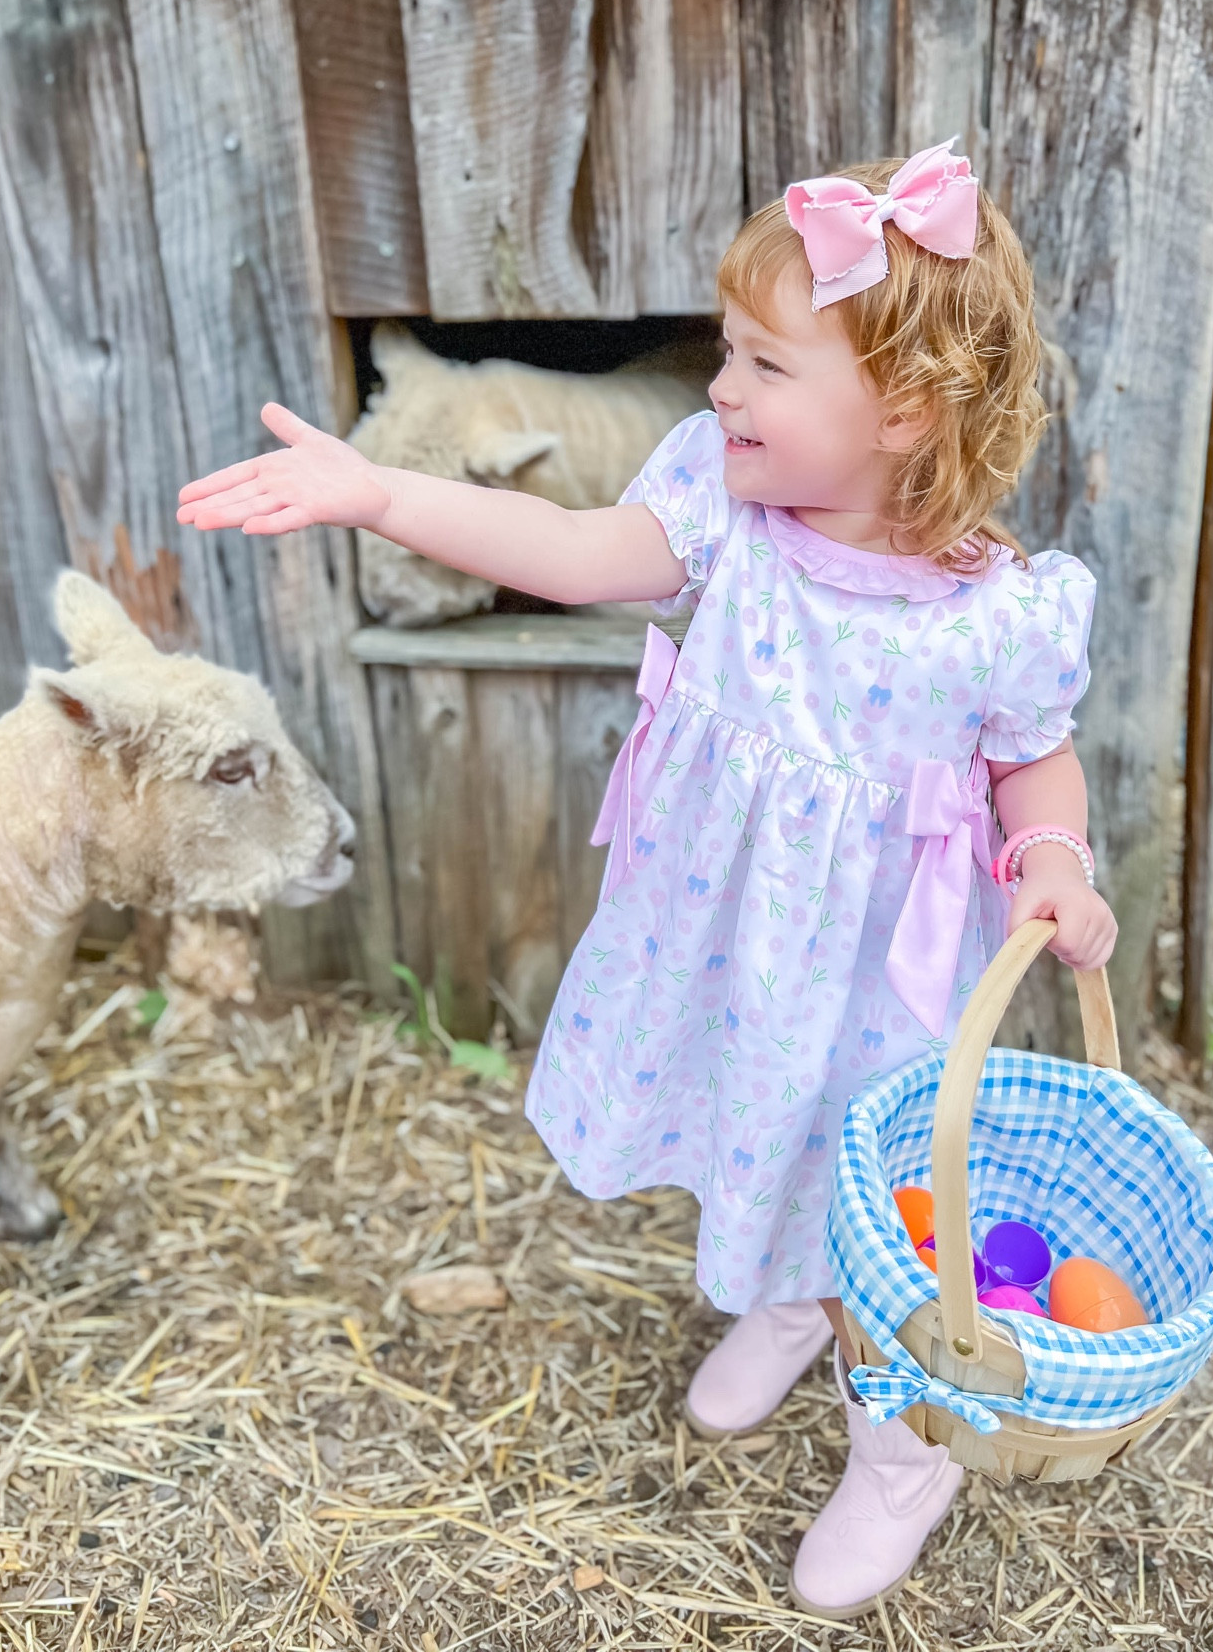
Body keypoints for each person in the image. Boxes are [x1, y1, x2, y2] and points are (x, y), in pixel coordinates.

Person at [177, 141, 1118, 1620]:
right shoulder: (721, 517)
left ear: (907, 409)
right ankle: (786, 1300)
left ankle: (901, 1448)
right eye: (727, 356)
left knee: (881, 1202)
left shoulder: (999, 619)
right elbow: (555, 543)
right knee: (758, 1131)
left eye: (760, 364)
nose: (719, 391)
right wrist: (377, 493)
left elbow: (1035, 764)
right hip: (729, 949)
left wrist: (1051, 860)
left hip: (878, 987)